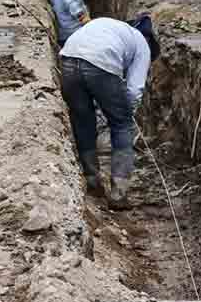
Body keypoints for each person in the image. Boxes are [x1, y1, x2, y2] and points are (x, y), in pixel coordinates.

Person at [59, 15, 160, 209]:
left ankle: (92, 180)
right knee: (122, 125)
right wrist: (128, 112)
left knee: (83, 120)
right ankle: (118, 194)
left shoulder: (109, 26)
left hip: (69, 58)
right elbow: (134, 89)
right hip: (99, 62)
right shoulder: (142, 44)